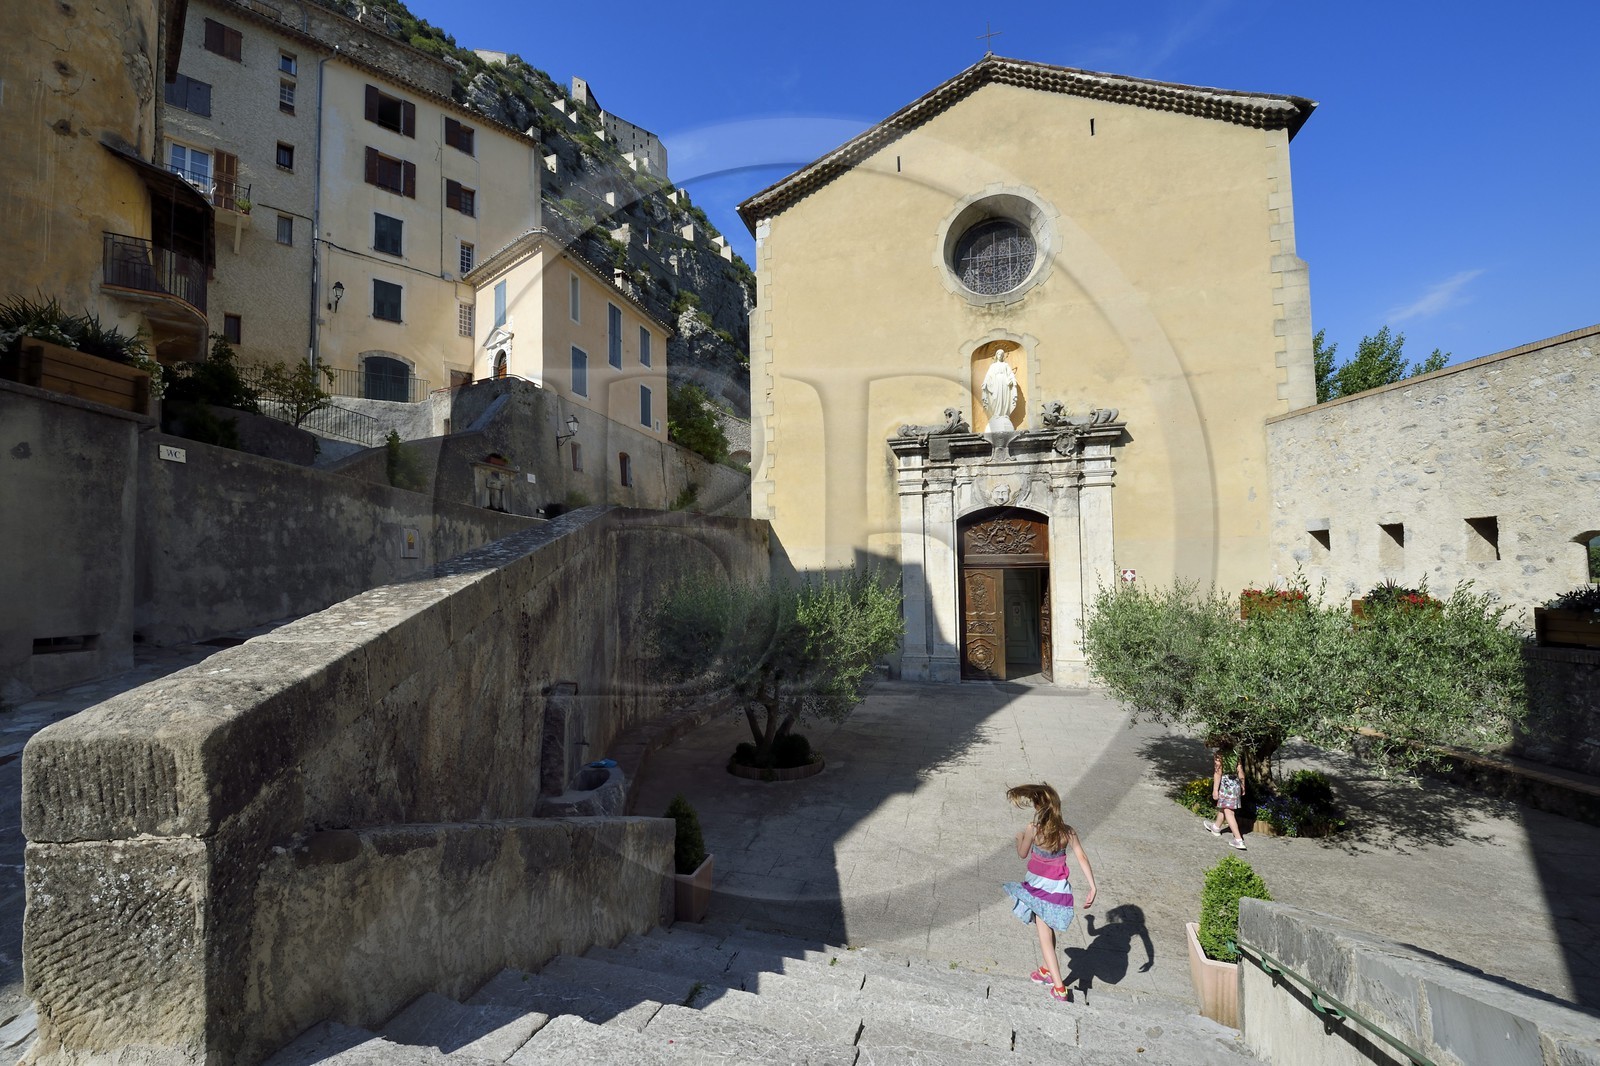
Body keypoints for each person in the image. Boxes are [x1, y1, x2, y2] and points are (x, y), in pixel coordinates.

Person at [1002, 783, 1097, 1003]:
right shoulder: (1067, 831)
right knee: (1047, 930)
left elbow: (1022, 854)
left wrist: (1018, 838)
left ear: (1037, 806)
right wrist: (1092, 886)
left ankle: (1059, 987)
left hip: (1037, 890)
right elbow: (1082, 857)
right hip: (1058, 890)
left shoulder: (1033, 829)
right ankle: (1046, 969)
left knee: (1044, 938)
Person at [1204, 739, 1248, 850]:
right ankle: (1216, 827)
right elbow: (1240, 771)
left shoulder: (1219, 755)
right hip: (1235, 784)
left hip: (1226, 784)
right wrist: (1243, 785)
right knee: (1225, 806)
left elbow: (1218, 772)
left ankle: (1238, 840)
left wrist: (1215, 790)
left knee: (1229, 812)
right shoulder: (1235, 754)